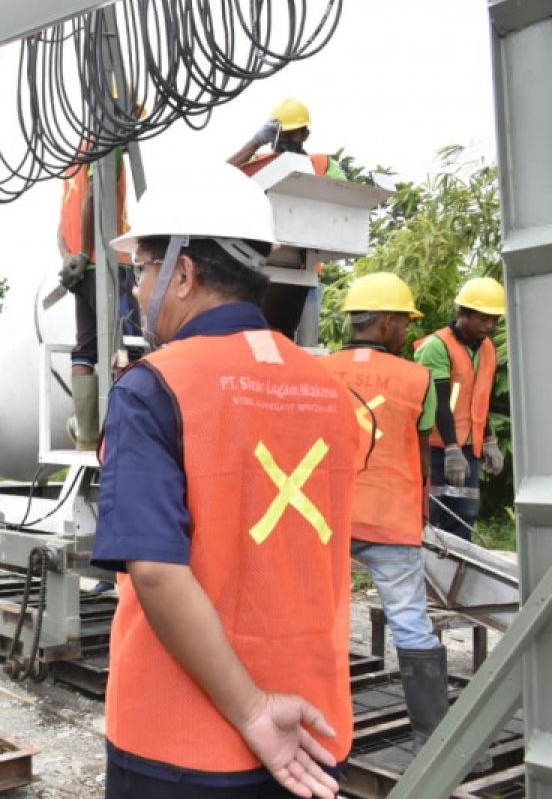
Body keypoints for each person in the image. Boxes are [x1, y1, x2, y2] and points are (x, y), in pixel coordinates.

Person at [92, 160, 358, 798]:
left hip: (180, 744)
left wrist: (251, 709)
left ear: (182, 273)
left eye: (143, 270)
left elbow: (154, 569)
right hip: (314, 737)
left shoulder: (153, 388)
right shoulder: (332, 391)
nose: (136, 289)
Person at [322, 273, 454, 755]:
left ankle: (324, 729)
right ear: (388, 322)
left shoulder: (319, 371)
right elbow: (419, 454)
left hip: (326, 517)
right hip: (391, 517)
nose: (407, 332)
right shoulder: (417, 377)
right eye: (404, 321)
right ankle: (431, 738)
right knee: (410, 621)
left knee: (323, 620)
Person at [414, 276, 506, 541]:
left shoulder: (486, 348)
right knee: (436, 519)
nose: (490, 326)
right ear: (462, 314)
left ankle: (457, 578)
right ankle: (430, 579)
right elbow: (439, 402)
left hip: (468, 447)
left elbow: (480, 398)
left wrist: (489, 439)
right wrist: (452, 449)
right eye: (483, 318)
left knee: (464, 516)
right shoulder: (437, 346)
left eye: (495, 319)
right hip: (436, 449)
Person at [58, 144, 131, 450]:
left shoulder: (74, 161)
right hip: (107, 264)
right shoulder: (108, 148)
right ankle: (127, 434)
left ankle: (87, 438)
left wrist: (70, 260)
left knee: (85, 348)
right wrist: (87, 251)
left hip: (80, 271)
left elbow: (61, 228)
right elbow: (93, 197)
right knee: (126, 344)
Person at [227, 98, 347, 179]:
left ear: (305, 135)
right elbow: (221, 176)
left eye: (291, 135)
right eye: (282, 135)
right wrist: (256, 142)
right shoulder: (258, 161)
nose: (285, 141)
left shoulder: (322, 164)